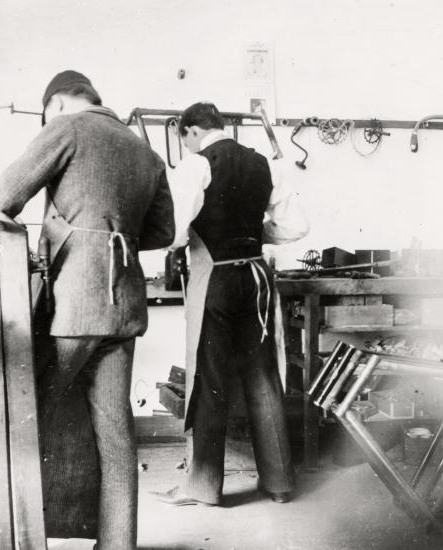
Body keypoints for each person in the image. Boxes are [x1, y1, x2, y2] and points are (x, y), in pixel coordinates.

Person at [0, 70, 175, 550]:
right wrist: (112, 233)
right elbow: (163, 234)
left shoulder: (66, 128)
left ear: (55, 103)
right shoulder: (145, 151)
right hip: (124, 305)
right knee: (114, 430)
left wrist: (73, 233)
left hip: (75, 303)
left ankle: (11, 540)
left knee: (26, 417)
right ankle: (117, 544)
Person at [153, 102, 308, 507]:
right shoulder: (264, 164)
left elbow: (174, 230)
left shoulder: (195, 166)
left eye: (184, 140)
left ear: (189, 131)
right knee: (263, 377)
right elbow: (295, 226)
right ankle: (279, 484)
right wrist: (252, 236)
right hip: (257, 280)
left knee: (210, 382)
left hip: (217, 280)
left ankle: (204, 489)